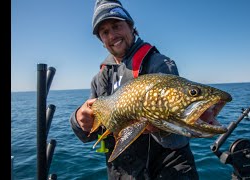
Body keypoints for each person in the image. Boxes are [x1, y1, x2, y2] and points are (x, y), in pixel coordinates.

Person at [69, 0, 199, 179]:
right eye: (105, 32)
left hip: (166, 169)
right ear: (101, 40)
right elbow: (92, 132)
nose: (112, 35)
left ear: (131, 27)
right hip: (121, 172)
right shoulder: (99, 78)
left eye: (117, 26)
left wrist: (161, 128)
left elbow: (178, 134)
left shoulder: (159, 64)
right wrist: (78, 120)